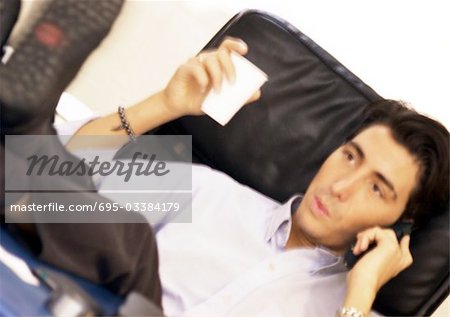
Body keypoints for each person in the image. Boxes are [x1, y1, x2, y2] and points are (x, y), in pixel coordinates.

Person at [55, 38, 448, 316]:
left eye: (377, 188)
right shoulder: (207, 190)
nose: (341, 186)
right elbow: (34, 175)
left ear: (399, 223)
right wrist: (162, 106)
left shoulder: (352, 306)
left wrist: (360, 295)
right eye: (349, 156)